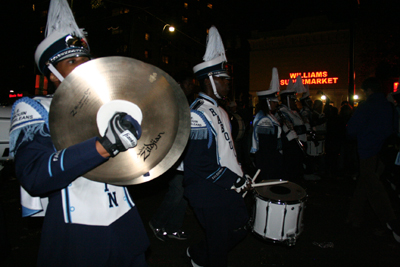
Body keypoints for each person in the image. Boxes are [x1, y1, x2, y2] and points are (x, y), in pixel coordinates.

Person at [9, 1, 149, 266]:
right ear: (51, 74)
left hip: (125, 225)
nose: (82, 66)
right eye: (71, 61)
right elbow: (34, 175)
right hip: (78, 234)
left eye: (85, 60)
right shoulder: (36, 109)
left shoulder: (109, 104)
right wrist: (104, 145)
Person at [183, 26, 251, 267]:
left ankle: (198, 254)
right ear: (210, 79)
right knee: (220, 246)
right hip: (207, 189)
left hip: (224, 185)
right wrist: (232, 180)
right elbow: (197, 161)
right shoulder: (196, 114)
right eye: (224, 79)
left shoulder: (220, 109)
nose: (228, 84)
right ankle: (203, 257)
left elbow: (226, 150)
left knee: (241, 226)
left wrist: (240, 173)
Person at [346, 77, 400, 244]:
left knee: (375, 190)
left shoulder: (366, 107)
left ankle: (392, 224)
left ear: (368, 90)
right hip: (385, 152)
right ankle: (354, 216)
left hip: (368, 152)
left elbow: (352, 130)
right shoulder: (389, 106)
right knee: (366, 183)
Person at [148, 72, 195, 241]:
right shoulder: (170, 100)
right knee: (176, 192)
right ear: (180, 84)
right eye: (188, 83)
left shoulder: (188, 102)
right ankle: (157, 221)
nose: (191, 86)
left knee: (183, 193)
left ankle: (173, 227)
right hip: (172, 156)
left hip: (184, 156)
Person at [250, 67, 283, 181]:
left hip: (270, 157)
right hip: (267, 159)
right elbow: (266, 146)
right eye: (274, 102)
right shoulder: (264, 120)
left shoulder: (269, 116)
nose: (276, 105)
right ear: (268, 102)